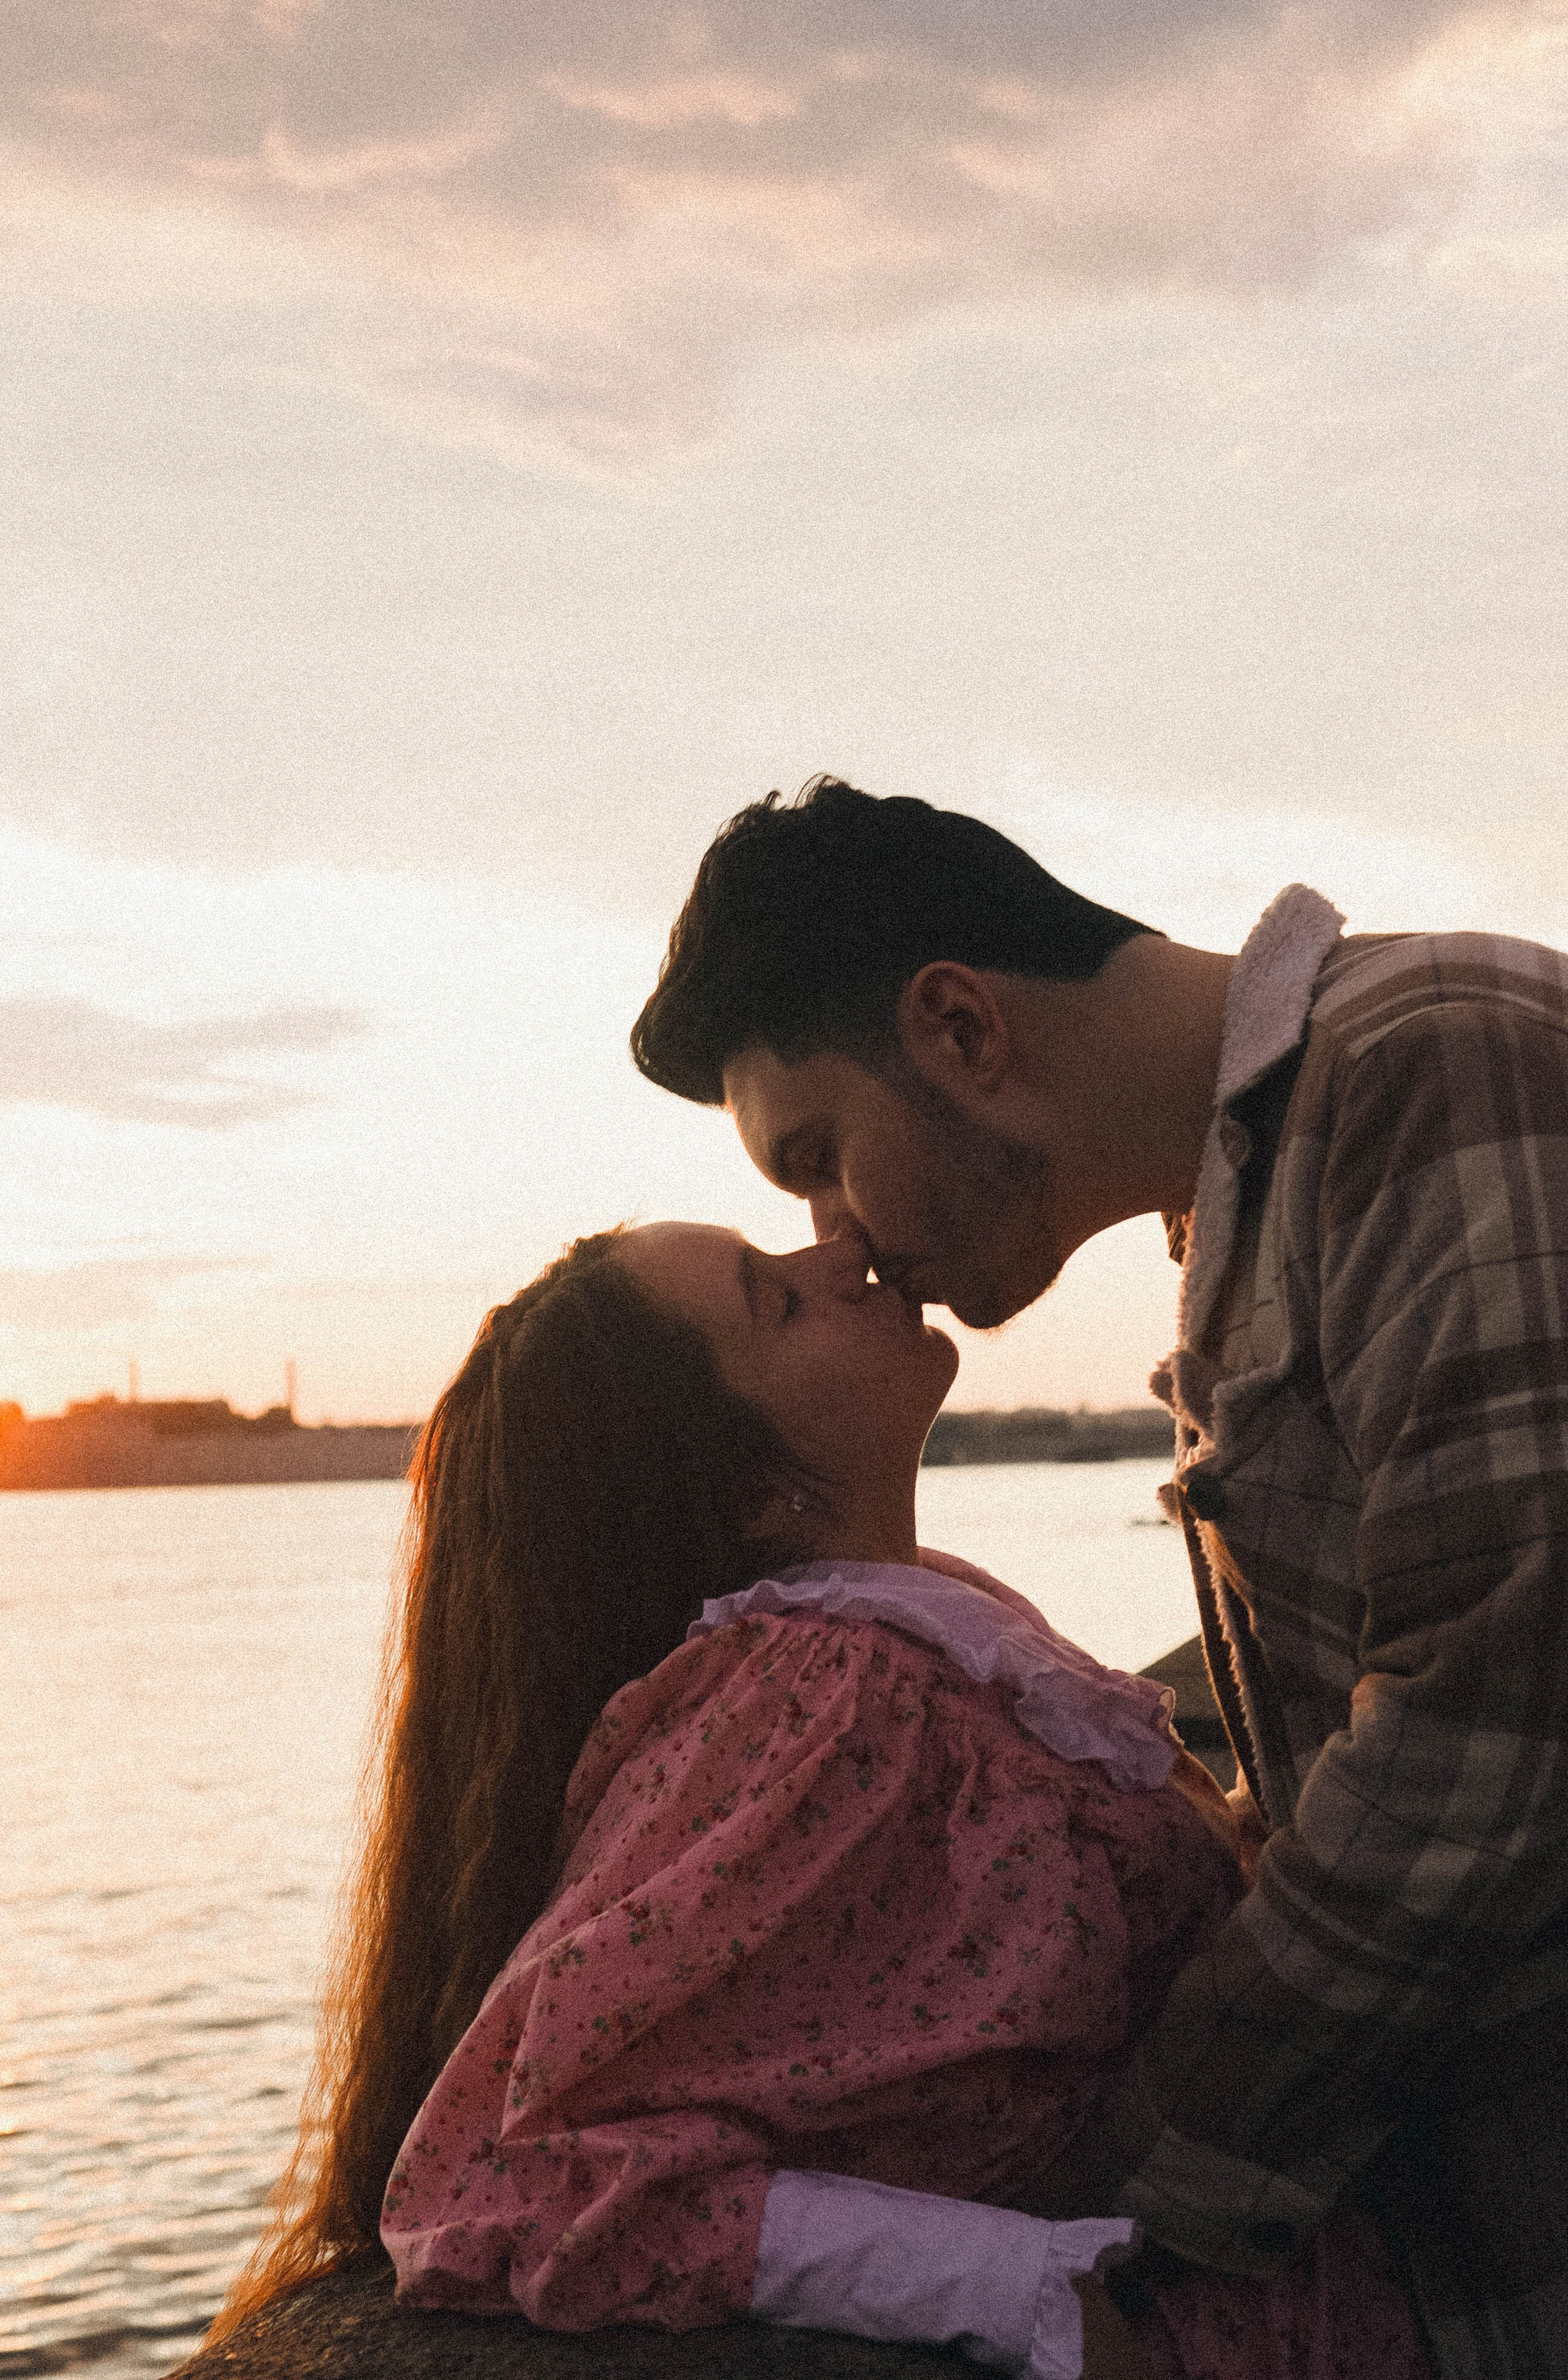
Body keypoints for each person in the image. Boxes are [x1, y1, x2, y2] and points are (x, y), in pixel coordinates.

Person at [630, 778, 1568, 2379]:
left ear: (961, 1030)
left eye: (820, 1158)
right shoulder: (1250, 1202)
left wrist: (1116, 2174)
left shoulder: (1435, 1064)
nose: (836, 1240)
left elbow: (1495, 1726)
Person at [211, 1222, 1428, 2379]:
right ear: (744, 1489)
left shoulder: (919, 1635)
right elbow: (506, 2186)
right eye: (775, 1297)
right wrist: (1004, 2286)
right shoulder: (827, 1700)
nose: (840, 1251)